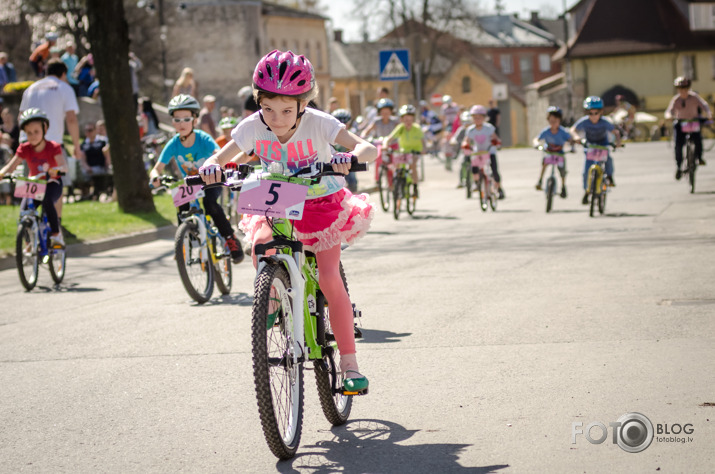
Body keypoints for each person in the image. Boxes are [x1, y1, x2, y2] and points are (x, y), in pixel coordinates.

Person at [198, 50, 377, 394]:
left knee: (328, 278)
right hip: (276, 196)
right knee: (262, 244)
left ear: (303, 104)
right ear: (258, 102)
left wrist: (348, 157)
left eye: (286, 110)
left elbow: (367, 148)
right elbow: (220, 156)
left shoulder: (320, 122)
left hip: (320, 199)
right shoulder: (252, 127)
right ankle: (274, 294)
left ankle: (349, 364)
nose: (276, 119)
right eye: (267, 109)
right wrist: (210, 166)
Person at [149, 94, 244, 264]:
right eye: (177, 120)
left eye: (186, 119)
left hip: (210, 180)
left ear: (194, 119)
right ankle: (185, 241)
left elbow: (218, 154)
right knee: (182, 207)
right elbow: (157, 168)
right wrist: (155, 177)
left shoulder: (203, 138)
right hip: (189, 184)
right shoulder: (173, 143)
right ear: (172, 122)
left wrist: (224, 163)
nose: (181, 124)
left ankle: (230, 238)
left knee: (210, 204)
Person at [0, 108, 68, 247]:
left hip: (51, 183)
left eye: (36, 132)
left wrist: (57, 170)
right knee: (24, 211)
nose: (32, 136)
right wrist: (2, 174)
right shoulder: (24, 148)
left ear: (45, 129)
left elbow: (63, 166)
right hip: (34, 184)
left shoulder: (53, 147)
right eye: (29, 133)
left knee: (47, 200)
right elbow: (11, 166)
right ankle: (28, 241)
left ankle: (56, 235)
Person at [20, 58, 82, 208]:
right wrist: (76, 146)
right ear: (63, 74)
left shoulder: (31, 88)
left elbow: (20, 116)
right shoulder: (64, 87)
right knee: (55, 183)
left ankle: (29, 223)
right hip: (52, 143)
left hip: (28, 142)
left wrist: (22, 140)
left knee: (32, 182)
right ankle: (56, 226)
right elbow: (72, 119)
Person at [570, 96, 621, 205]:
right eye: (590, 113)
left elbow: (615, 132)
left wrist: (618, 142)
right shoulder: (584, 121)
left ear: (601, 112)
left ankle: (610, 177)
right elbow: (573, 129)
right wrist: (576, 137)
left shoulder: (604, 122)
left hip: (603, 145)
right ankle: (587, 191)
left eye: (596, 113)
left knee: (608, 161)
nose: (593, 116)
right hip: (590, 146)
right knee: (586, 171)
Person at [664, 76, 712, 176]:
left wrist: (708, 113)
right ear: (678, 89)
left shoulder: (694, 97)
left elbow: (704, 105)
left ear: (688, 88)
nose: (683, 91)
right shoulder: (676, 100)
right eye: (681, 89)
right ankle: (679, 166)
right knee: (678, 145)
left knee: (698, 140)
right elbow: (669, 111)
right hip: (681, 122)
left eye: (685, 89)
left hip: (693, 121)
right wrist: (668, 116)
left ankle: (699, 157)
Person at [461, 105, 501, 195]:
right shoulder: (470, 130)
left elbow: (495, 138)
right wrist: (465, 145)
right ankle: (477, 183)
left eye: (479, 117)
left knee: (494, 170)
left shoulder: (489, 128)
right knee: (474, 167)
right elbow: (466, 140)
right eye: (475, 118)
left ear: (484, 118)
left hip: (489, 151)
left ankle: (499, 188)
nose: (477, 120)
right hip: (478, 152)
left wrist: (496, 142)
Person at [533, 106, 572, 198]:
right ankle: (540, 180)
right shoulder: (546, 131)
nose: (553, 123)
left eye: (555, 121)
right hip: (549, 152)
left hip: (559, 153)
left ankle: (563, 186)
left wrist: (572, 145)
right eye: (551, 121)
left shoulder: (563, 131)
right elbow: (537, 138)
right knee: (544, 163)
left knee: (562, 170)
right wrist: (536, 144)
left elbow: (570, 139)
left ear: (559, 121)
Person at [383, 104, 424, 189]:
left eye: (410, 120)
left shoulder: (417, 128)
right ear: (401, 120)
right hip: (403, 151)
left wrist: (424, 149)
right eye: (405, 120)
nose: (408, 122)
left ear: (413, 120)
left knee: (412, 165)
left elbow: (423, 141)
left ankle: (415, 186)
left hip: (415, 151)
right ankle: (398, 185)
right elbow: (389, 138)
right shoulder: (400, 127)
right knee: (397, 166)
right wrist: (385, 145)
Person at [79, 122, 111, 200]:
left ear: (95, 131)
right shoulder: (83, 144)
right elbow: (82, 158)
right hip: (88, 168)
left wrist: (108, 165)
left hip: (100, 167)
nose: (88, 132)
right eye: (86, 130)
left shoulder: (102, 142)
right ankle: (86, 195)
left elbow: (107, 155)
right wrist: (87, 167)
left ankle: (95, 194)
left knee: (97, 173)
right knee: (81, 174)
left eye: (90, 130)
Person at [331, 108, 358, 192]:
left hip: (347, 160)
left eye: (345, 124)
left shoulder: (352, 133)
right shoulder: (330, 134)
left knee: (352, 180)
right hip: (334, 162)